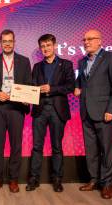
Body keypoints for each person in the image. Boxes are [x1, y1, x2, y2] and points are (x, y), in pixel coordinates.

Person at [74, 29, 112, 199]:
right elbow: (82, 80)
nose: (86, 42)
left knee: (106, 150)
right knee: (91, 149)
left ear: (99, 41)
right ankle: (94, 179)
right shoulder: (82, 62)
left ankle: (107, 184)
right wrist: (77, 86)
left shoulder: (111, 58)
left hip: (104, 113)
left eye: (90, 39)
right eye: (84, 39)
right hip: (86, 112)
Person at [26, 34, 75, 192]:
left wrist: (51, 89)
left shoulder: (66, 64)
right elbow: (32, 87)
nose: (45, 48)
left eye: (48, 45)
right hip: (40, 110)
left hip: (57, 110)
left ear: (54, 45)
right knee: (37, 146)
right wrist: (26, 97)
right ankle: (34, 179)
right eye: (43, 46)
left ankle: (57, 179)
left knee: (57, 147)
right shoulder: (37, 67)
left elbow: (70, 86)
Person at [0, 29, 32, 193]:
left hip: (16, 107)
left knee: (16, 145)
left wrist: (27, 97)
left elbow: (28, 83)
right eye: (4, 41)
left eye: (10, 41)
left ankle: (13, 179)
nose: (7, 44)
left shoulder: (24, 61)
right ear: (0, 43)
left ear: (14, 42)